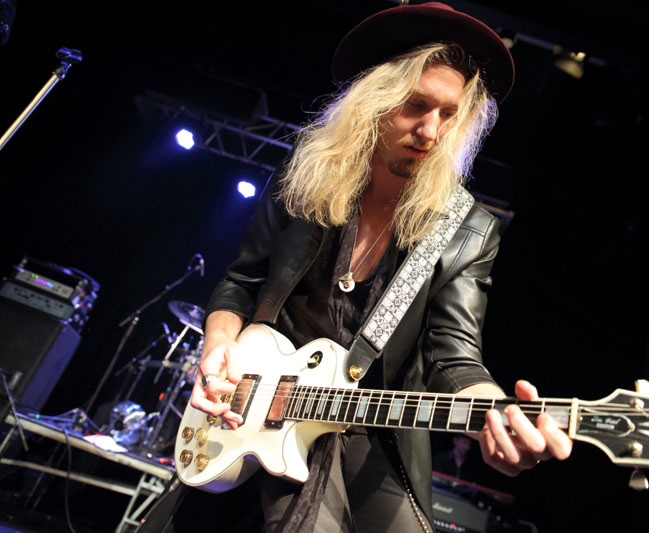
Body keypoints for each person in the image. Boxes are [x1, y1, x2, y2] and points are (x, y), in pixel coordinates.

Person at [142, 2, 571, 532]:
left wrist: (494, 411)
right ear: (374, 98)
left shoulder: (467, 228)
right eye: (416, 106)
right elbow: (241, 282)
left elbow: (454, 354)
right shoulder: (305, 174)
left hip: (372, 435)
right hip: (253, 409)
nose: (431, 131)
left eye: (449, 115)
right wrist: (218, 349)